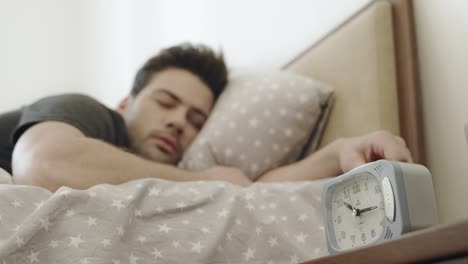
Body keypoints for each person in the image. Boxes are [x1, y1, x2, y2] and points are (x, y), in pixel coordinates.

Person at [0, 43, 412, 192]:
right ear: (126, 102)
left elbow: (247, 189)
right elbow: (44, 163)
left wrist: (340, 151)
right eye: (165, 102)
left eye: (197, 119)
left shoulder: (150, 173)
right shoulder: (90, 113)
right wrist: (200, 181)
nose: (180, 122)